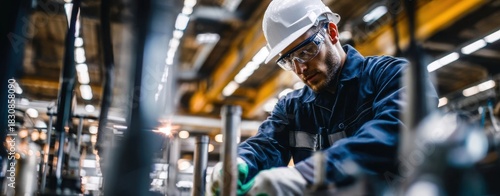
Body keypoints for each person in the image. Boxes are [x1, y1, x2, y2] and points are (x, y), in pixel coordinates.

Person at [208, 0, 438, 195]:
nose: (300, 69)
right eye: (289, 61)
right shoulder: (292, 107)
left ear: (332, 32)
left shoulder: (391, 75)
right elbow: (267, 144)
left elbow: (396, 132)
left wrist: (310, 174)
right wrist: (239, 162)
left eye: (305, 51)